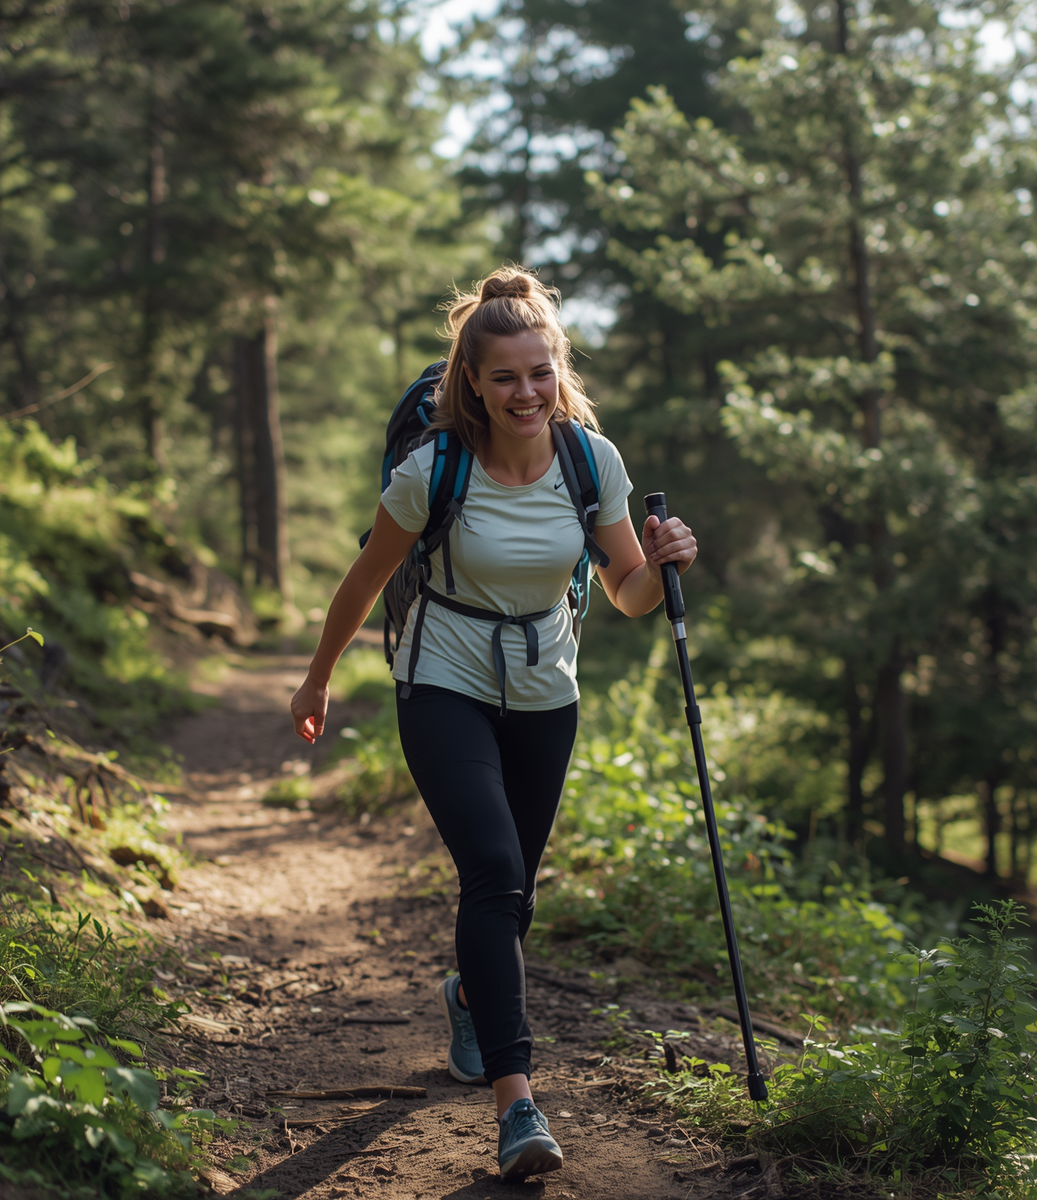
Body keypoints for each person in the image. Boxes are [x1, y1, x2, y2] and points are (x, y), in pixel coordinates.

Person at [290, 266, 697, 1182]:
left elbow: (629, 593)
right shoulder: (433, 468)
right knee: (496, 871)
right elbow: (362, 583)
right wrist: (316, 680)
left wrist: (665, 560)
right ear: (470, 380)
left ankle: (474, 992)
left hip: (546, 686)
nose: (527, 393)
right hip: (442, 677)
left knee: (516, 893)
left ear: (560, 372)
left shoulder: (594, 462)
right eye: (506, 376)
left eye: (541, 373)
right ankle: (519, 1109)